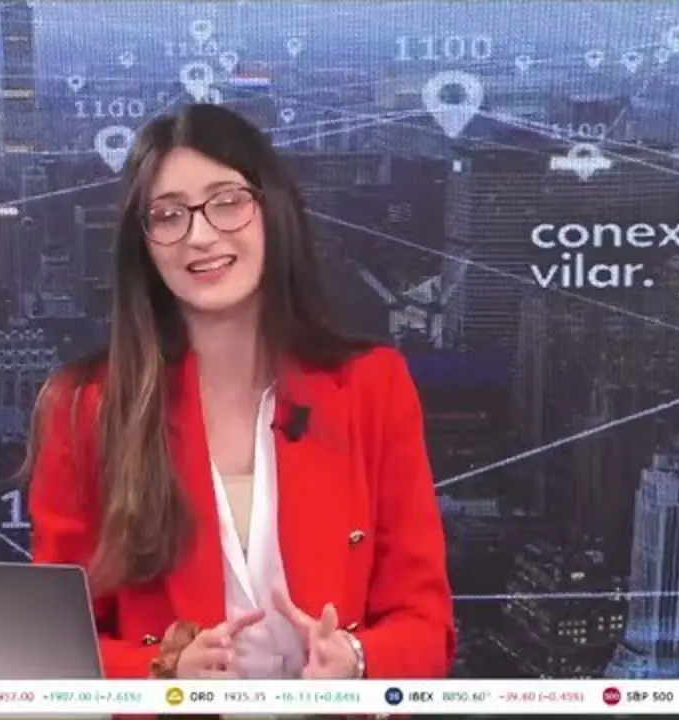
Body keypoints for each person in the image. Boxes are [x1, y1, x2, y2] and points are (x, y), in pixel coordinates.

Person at [28, 103, 454, 681]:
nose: (201, 236)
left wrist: (357, 662)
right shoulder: (85, 408)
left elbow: (426, 624)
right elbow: (57, 647)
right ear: (143, 244)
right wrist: (164, 677)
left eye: (227, 202)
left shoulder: (372, 387)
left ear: (272, 211)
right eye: (168, 215)